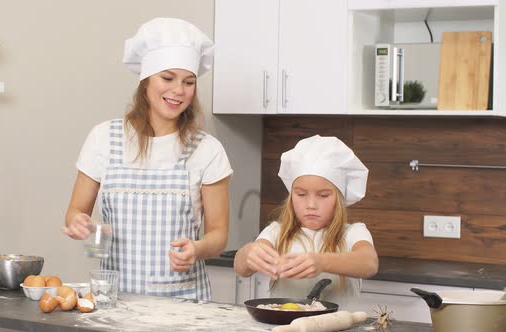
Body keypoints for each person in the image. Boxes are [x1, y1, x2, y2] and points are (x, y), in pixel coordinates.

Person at [63, 17, 232, 301]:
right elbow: (75, 215)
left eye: (188, 82)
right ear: (145, 81)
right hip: (116, 302)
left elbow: (218, 235)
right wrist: (84, 228)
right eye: (167, 78)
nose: (179, 90)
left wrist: (197, 249)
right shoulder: (103, 138)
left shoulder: (207, 150)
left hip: (184, 305)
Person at [234, 135, 378, 307]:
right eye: (301, 194)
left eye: (323, 195)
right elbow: (241, 268)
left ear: (339, 198)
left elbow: (369, 263)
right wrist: (249, 253)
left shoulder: (353, 233)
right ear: (291, 195)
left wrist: (322, 262)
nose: (311, 205)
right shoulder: (276, 232)